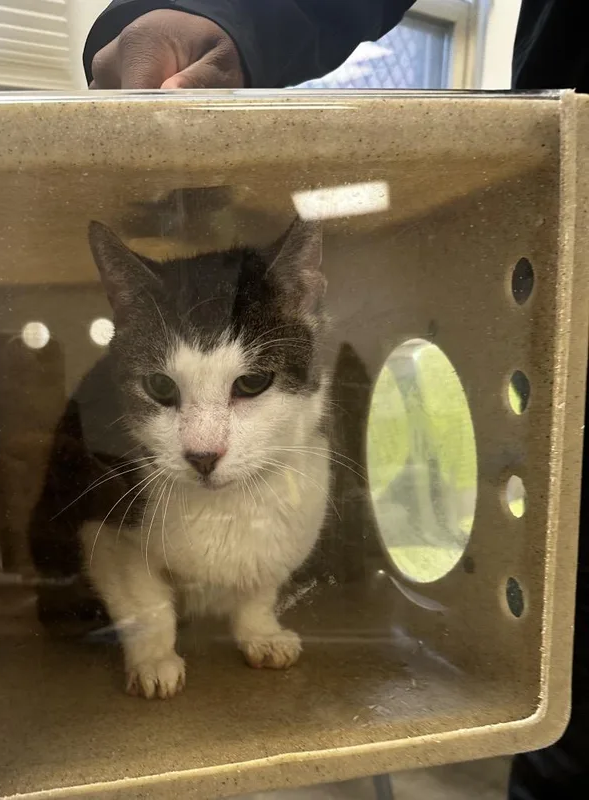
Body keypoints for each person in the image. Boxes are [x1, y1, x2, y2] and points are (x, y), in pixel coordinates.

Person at [83, 2, 589, 799]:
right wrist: (220, 14)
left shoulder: (302, 448)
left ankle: (254, 612)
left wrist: (255, 613)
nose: (203, 445)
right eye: (166, 393)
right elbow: (104, 537)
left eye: (250, 385)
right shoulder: (145, 469)